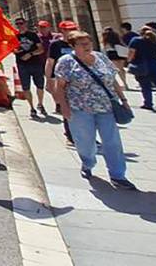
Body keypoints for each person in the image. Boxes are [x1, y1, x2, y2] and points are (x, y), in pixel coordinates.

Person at [52, 31, 136, 190]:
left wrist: (123, 100)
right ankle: (88, 162)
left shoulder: (101, 58)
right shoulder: (66, 62)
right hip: (79, 109)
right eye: (82, 44)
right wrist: (63, 106)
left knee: (112, 142)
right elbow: (60, 86)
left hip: (106, 107)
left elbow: (112, 81)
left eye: (88, 43)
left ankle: (118, 175)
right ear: (72, 46)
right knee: (85, 142)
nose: (87, 46)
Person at [128, 26, 156, 113]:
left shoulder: (136, 40)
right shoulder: (154, 40)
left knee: (145, 86)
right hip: (155, 63)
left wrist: (129, 60)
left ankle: (148, 104)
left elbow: (132, 52)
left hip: (142, 64)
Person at [14, 19, 48, 118]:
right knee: (26, 87)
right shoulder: (15, 36)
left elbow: (41, 49)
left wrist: (31, 54)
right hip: (22, 64)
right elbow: (12, 48)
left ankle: (40, 104)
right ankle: (32, 107)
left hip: (35, 63)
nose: (20, 26)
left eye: (22, 23)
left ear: (26, 24)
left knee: (40, 85)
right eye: (18, 24)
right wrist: (15, 51)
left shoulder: (33, 35)